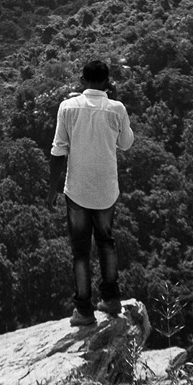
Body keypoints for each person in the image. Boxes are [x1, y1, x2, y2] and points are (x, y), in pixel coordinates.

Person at [50, 59, 134, 327]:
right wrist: (117, 105)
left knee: (80, 251)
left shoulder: (67, 108)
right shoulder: (116, 109)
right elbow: (126, 144)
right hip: (106, 190)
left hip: (77, 191)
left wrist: (52, 188)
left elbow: (58, 151)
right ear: (108, 82)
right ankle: (111, 298)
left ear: (82, 81)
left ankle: (84, 310)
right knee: (106, 241)